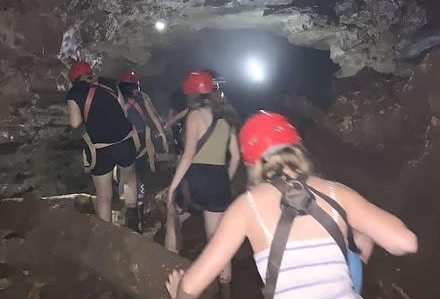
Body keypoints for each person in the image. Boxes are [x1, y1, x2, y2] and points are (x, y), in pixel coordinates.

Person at [165, 111, 418, 299]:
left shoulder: (246, 207)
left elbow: (191, 287)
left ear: (252, 163)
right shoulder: (336, 191)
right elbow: (406, 242)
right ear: (297, 148)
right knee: (361, 239)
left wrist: (179, 294)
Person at [165, 70, 241, 289]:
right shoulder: (228, 115)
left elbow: (188, 155)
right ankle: (224, 285)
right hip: (218, 179)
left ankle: (171, 269)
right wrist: (224, 179)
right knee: (217, 238)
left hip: (195, 180)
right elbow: (235, 156)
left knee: (173, 218)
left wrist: (173, 187)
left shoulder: (194, 115)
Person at [65, 60, 141, 231]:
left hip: (100, 148)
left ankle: (107, 235)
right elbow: (122, 109)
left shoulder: (74, 93)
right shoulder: (110, 83)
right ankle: (133, 223)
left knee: (104, 196)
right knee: (129, 181)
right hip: (124, 140)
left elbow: (75, 122)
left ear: (74, 78)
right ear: (90, 73)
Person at [117, 69, 170, 232]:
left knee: (126, 176)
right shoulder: (143, 97)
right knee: (138, 174)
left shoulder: (118, 98)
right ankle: (138, 215)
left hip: (125, 139)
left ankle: (130, 216)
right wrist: (162, 136)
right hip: (141, 141)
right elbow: (153, 116)